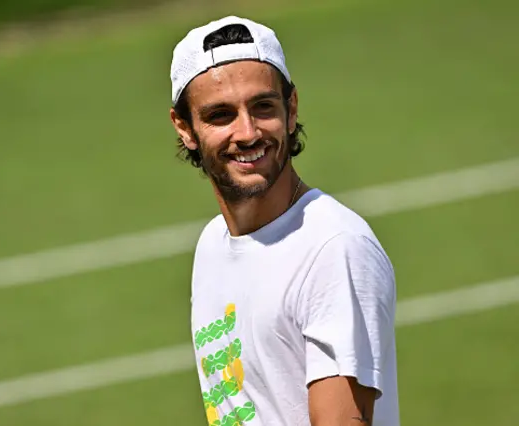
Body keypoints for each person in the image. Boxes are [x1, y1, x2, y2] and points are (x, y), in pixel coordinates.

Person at [169, 16, 399, 426]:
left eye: (262, 107)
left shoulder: (333, 249)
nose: (248, 132)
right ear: (185, 128)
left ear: (291, 109)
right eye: (221, 115)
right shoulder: (211, 246)